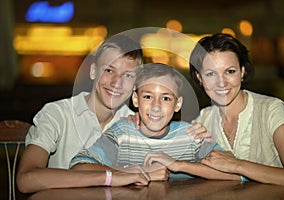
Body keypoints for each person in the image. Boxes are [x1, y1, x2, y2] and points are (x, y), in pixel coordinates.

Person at [16, 34, 151, 193]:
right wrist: (109, 177)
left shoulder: (134, 123)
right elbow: (26, 179)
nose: (116, 82)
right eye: (109, 70)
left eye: (128, 75)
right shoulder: (58, 114)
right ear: (93, 71)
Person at [70, 63, 240, 181]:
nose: (156, 106)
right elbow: (79, 167)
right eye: (148, 96)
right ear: (136, 99)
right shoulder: (122, 133)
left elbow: (234, 174)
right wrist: (136, 172)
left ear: (177, 104)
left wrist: (178, 165)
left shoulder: (190, 135)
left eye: (165, 98)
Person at [187, 33, 284, 189]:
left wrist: (237, 165)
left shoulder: (270, 109)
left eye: (230, 71)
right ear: (199, 78)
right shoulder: (203, 119)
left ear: (242, 71)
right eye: (211, 74)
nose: (221, 83)